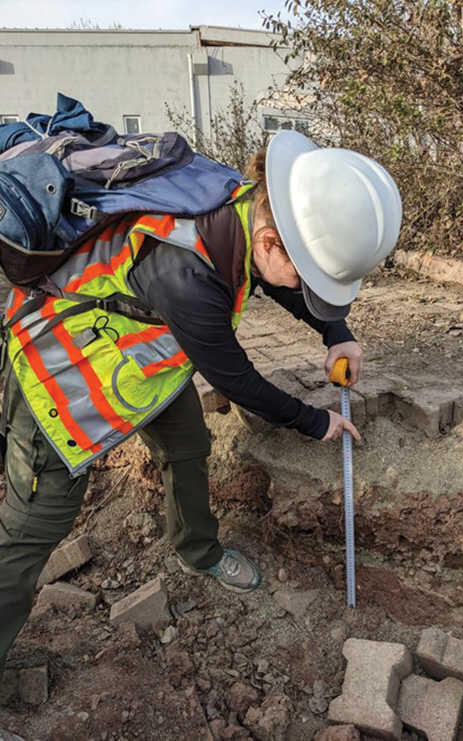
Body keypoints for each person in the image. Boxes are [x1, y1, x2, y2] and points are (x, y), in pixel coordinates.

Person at [0, 130, 402, 674]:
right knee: (33, 530)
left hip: (141, 363)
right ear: (270, 241)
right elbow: (237, 379)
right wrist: (315, 421)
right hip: (62, 377)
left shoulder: (241, 203)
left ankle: (199, 552)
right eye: (311, 273)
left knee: (188, 447)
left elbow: (280, 280)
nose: (307, 286)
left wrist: (336, 332)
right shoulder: (188, 274)